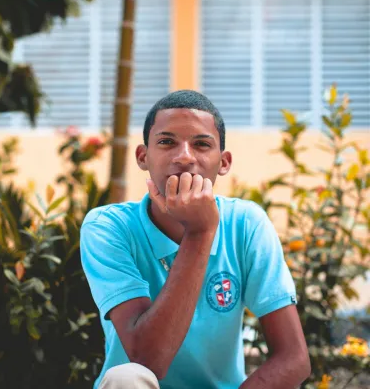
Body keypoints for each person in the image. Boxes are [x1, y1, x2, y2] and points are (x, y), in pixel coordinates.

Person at [80, 90, 311, 389]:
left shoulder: (246, 223)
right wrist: (200, 232)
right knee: (125, 378)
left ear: (223, 162)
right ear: (143, 157)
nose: (185, 157)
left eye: (201, 144)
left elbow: (294, 358)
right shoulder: (108, 227)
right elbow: (148, 360)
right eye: (166, 142)